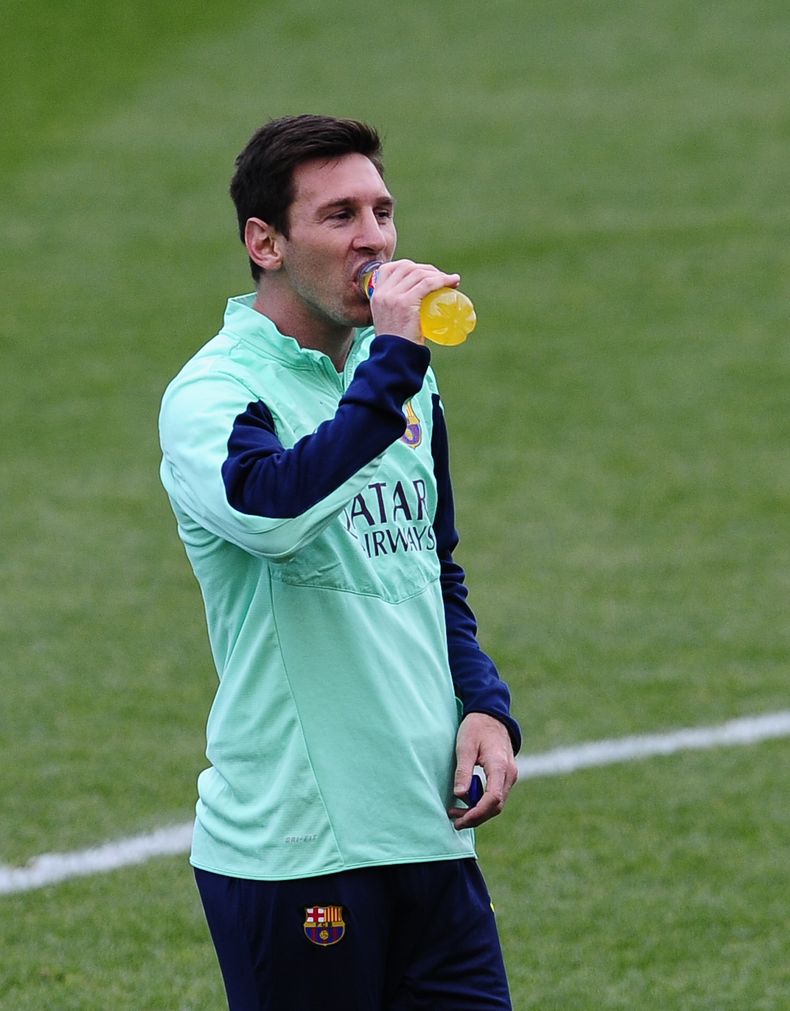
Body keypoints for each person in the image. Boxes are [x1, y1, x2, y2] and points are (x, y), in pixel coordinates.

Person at [158, 114, 520, 1010]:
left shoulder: (402, 380)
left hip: (427, 833)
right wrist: (391, 363)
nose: (375, 238)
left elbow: (431, 563)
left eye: (383, 210)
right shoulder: (215, 393)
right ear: (265, 241)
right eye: (340, 215)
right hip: (297, 849)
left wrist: (482, 700)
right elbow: (271, 510)